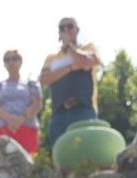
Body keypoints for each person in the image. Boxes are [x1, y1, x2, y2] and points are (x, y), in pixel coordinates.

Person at [39, 17, 102, 149]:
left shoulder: (88, 47)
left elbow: (86, 62)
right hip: (59, 113)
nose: (66, 30)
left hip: (83, 110)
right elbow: (44, 78)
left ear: (77, 30)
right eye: (62, 28)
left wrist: (70, 46)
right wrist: (70, 68)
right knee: (61, 155)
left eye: (69, 27)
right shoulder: (52, 57)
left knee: (86, 152)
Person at [0, 52, 43, 154]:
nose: (11, 62)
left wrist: (20, 120)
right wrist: (10, 119)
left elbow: (36, 104)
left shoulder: (30, 83)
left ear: (20, 61)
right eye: (7, 60)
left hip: (27, 128)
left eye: (14, 58)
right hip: (3, 130)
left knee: (28, 163)